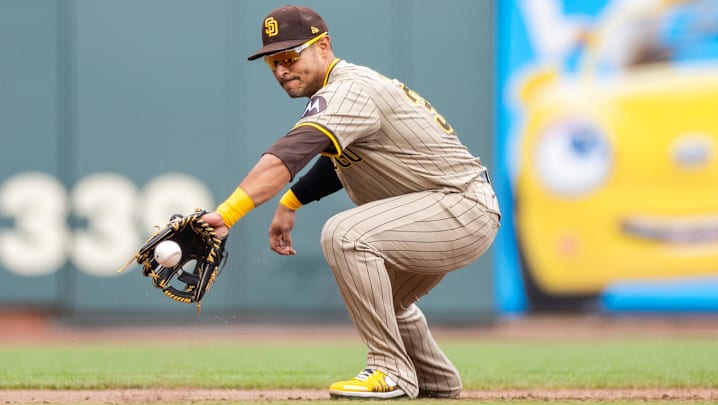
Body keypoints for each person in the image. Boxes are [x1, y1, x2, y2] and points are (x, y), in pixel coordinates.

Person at [202, 4, 501, 400]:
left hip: (460, 208)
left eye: (290, 56)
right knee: (384, 299)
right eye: (273, 61)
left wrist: (227, 214)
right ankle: (436, 379)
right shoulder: (345, 92)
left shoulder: (348, 88)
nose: (281, 70)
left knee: (345, 233)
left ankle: (390, 370)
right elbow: (334, 163)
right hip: (448, 208)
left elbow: (290, 154)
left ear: (323, 46)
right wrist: (290, 203)